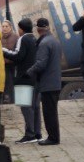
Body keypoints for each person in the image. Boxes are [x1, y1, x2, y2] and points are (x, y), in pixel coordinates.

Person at [5, 17, 41, 143]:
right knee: (35, 106)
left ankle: (29, 134)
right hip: (34, 76)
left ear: (21, 29)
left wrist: (3, 51)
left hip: (23, 77)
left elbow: (18, 56)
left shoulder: (23, 39)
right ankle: (37, 133)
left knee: (26, 106)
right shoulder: (34, 38)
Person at [28, 17, 63, 146]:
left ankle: (53, 138)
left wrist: (29, 72)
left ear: (38, 29)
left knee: (49, 112)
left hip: (48, 83)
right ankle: (54, 136)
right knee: (52, 111)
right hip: (55, 81)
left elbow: (41, 64)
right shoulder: (54, 41)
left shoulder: (44, 43)